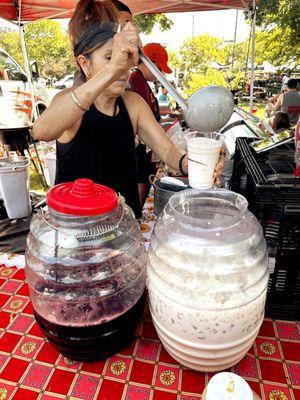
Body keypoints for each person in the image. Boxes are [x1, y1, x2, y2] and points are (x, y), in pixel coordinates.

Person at [32, 0, 225, 219]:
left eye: (125, 58)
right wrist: (113, 69)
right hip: (77, 236)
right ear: (85, 64)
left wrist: (190, 163)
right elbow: (41, 130)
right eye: (109, 57)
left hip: (123, 233)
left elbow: (168, 151)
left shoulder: (132, 104)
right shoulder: (70, 102)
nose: (123, 66)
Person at [129, 42, 172, 204]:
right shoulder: (137, 81)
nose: (159, 74)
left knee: (146, 181)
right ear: (149, 63)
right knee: (141, 184)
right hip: (140, 147)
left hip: (146, 146)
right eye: (159, 69)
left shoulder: (143, 82)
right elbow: (143, 120)